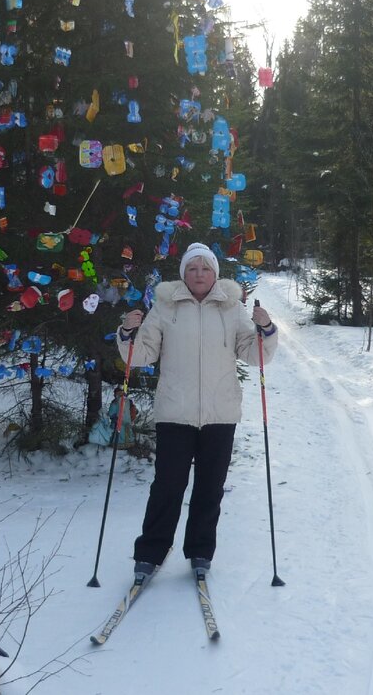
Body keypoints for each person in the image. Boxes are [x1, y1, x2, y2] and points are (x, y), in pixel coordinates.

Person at [116, 242, 279, 581]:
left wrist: (265, 330)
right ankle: (150, 553)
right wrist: (128, 333)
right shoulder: (165, 306)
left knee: (210, 487)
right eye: (192, 268)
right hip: (175, 411)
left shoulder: (232, 308)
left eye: (205, 268)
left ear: (215, 274)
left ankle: (201, 552)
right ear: (183, 274)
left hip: (220, 413)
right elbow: (141, 355)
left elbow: (252, 354)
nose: (199, 274)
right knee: (167, 486)